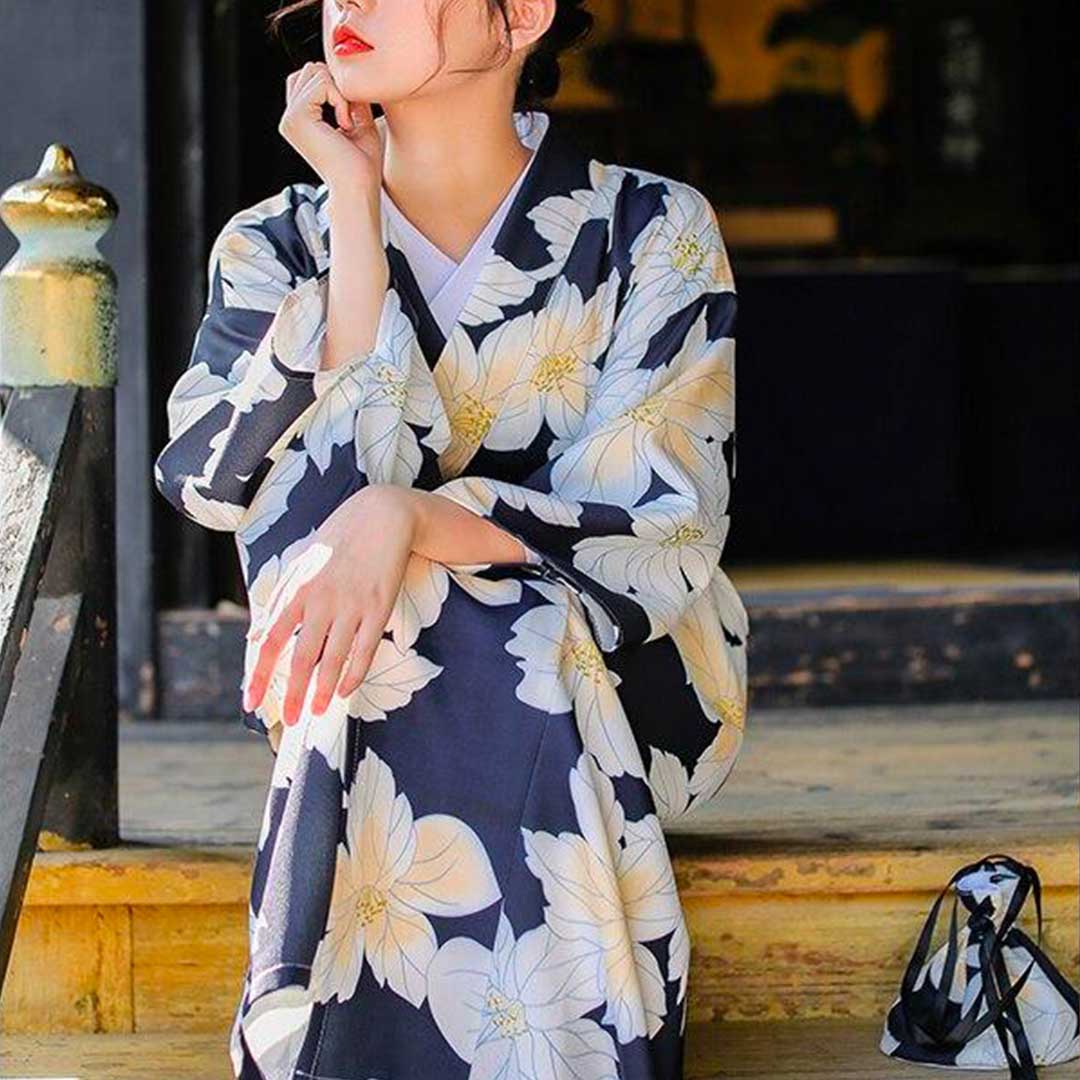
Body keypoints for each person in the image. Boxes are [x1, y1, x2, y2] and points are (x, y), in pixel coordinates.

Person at [153, 0, 750, 1075]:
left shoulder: (652, 227)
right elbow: (214, 476)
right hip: (348, 676)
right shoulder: (277, 238)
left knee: (466, 614)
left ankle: (314, 1036)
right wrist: (352, 212)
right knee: (409, 617)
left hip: (617, 683)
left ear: (520, 13)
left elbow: (660, 520)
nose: (348, 8)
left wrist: (417, 518)